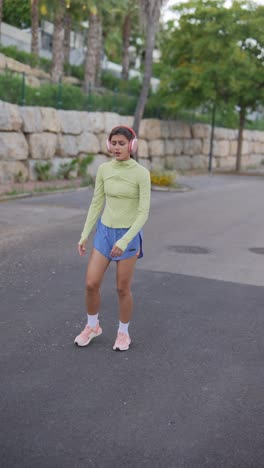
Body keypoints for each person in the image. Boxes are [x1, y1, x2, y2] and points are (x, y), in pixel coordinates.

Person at [74, 125, 151, 351]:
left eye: (121, 143)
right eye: (113, 143)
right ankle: (92, 326)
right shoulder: (104, 170)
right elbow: (97, 202)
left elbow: (143, 212)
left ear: (132, 145)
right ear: (109, 145)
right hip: (105, 232)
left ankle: (123, 333)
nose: (117, 147)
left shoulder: (141, 174)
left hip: (128, 235)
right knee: (91, 283)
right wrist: (84, 234)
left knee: (122, 288)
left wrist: (125, 240)